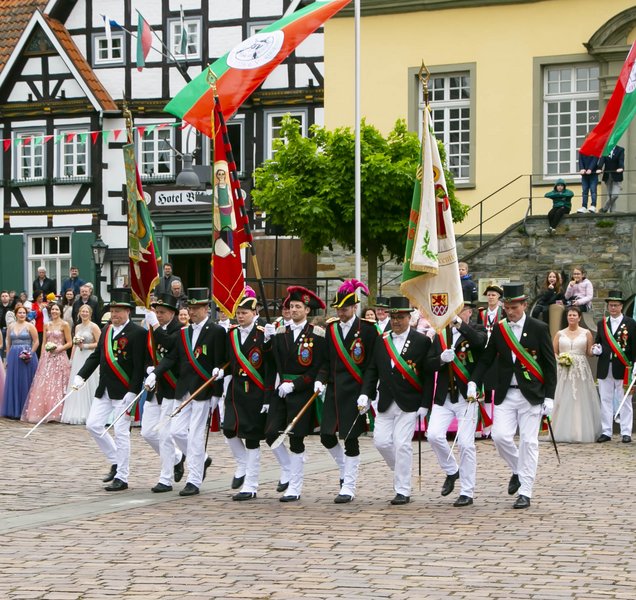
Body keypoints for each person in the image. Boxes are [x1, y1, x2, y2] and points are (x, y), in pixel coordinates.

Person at [468, 282, 557, 509]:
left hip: (531, 394)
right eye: (507, 307)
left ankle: (525, 491)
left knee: (529, 441)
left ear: (524, 305)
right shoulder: (500, 329)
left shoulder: (539, 328)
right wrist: (474, 381)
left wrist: (550, 396)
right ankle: (518, 469)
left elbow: (549, 365)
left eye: (514, 307)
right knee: (500, 437)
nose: (510, 311)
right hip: (506, 393)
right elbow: (487, 358)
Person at [147, 288, 227, 496]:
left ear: (206, 309)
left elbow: (222, 361)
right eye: (190, 308)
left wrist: (217, 391)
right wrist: (155, 373)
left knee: (196, 435)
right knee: (176, 431)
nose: (192, 312)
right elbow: (172, 357)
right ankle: (200, 460)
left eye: (196, 308)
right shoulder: (184, 332)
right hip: (183, 389)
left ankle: (194, 480)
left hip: (203, 389)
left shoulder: (216, 331)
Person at [358, 296, 432, 505]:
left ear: (409, 318)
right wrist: (365, 393)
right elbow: (372, 369)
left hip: (410, 402)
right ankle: (400, 468)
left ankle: (402, 489)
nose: (396, 321)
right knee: (381, 442)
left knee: (402, 445)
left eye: (400, 317)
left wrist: (425, 404)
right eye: (393, 317)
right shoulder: (382, 340)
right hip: (385, 400)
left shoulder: (421, 341)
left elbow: (427, 375)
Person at [74, 289, 147, 492]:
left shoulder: (138, 333)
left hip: (124, 391)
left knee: (121, 433)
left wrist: (133, 391)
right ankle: (116, 460)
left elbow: (139, 366)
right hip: (104, 388)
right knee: (93, 425)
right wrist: (81, 376)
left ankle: (122, 477)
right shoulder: (106, 330)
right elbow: (97, 356)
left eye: (118, 311)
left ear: (128, 312)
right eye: (112, 311)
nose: (114, 314)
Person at [315, 279, 377, 504]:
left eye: (345, 309)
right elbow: (325, 360)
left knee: (350, 438)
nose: (341, 313)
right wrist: (320, 380)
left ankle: (348, 486)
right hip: (334, 390)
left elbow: (371, 366)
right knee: (326, 435)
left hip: (355, 392)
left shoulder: (368, 330)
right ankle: (344, 466)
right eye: (338, 309)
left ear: (354, 307)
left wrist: (367, 392)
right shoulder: (331, 329)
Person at [425, 291, 487, 507]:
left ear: (469, 312)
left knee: (466, 444)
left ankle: (467, 491)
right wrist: (441, 360)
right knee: (433, 435)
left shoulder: (478, 330)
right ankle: (452, 470)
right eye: (455, 310)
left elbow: (479, 343)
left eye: (462, 310)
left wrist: (459, 325)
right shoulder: (441, 334)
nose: (458, 314)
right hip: (444, 395)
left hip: (466, 396)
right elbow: (428, 364)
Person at [268, 286, 327, 502]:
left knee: (296, 438)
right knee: (271, 433)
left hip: (301, 390)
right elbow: (271, 361)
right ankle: (288, 466)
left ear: (307, 310)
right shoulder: (280, 332)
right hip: (281, 390)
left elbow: (318, 366)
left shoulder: (316, 334)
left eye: (298, 307)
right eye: (291, 306)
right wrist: (267, 341)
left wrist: (296, 385)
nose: (293, 310)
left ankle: (294, 487)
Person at [223, 287, 275, 501]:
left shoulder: (263, 334)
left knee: (252, 439)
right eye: (238, 313)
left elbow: (271, 367)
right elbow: (228, 360)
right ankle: (242, 463)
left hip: (255, 392)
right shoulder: (232, 334)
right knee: (229, 429)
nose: (240, 316)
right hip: (235, 391)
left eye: (244, 313)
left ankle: (251, 485)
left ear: (255, 313)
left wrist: (271, 342)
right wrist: (220, 370)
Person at [141, 293, 185, 493]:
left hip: (171, 388)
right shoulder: (153, 330)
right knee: (148, 432)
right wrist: (149, 368)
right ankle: (178, 457)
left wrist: (155, 326)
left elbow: (168, 345)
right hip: (155, 387)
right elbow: (148, 354)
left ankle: (165, 479)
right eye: (157, 312)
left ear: (172, 313)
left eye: (162, 312)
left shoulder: (180, 330)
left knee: (165, 434)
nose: (158, 315)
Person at [551, 306, 601, 443]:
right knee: (564, 396)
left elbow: (589, 352)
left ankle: (579, 431)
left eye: (574, 315)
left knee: (579, 398)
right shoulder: (560, 334)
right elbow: (553, 351)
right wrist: (560, 360)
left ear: (579, 318)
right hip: (564, 369)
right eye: (569, 315)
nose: (571, 317)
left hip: (580, 370)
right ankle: (561, 430)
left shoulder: (586, 333)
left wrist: (596, 350)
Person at [592, 291, 636, 443]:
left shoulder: (631, 323)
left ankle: (626, 432)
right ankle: (606, 431)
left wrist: (635, 365)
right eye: (611, 305)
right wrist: (596, 349)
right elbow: (598, 342)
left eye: (616, 305)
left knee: (625, 400)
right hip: (605, 367)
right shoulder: (602, 323)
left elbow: (634, 346)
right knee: (605, 400)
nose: (613, 308)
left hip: (624, 368)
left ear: (621, 306)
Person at [21, 303, 72, 423]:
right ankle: (44, 411)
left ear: (60, 311)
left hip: (60, 357)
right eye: (52, 309)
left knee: (59, 383)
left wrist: (60, 348)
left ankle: (58, 412)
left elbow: (69, 342)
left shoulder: (65, 324)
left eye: (56, 309)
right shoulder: (46, 324)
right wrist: (43, 356)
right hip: (48, 357)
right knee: (46, 383)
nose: (54, 311)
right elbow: (44, 341)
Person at [61, 304, 101, 425]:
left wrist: (86, 346)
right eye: (82, 311)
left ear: (90, 313)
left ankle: (90, 412)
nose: (84, 313)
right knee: (77, 381)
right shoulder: (77, 327)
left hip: (89, 356)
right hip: (78, 356)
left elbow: (100, 343)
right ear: (79, 313)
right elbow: (74, 345)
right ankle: (77, 412)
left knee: (89, 382)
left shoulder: (94, 327)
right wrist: (72, 359)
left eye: (86, 311)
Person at [0, 305, 39, 419]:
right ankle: (14, 409)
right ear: (16, 314)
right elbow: (8, 342)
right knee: (14, 381)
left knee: (25, 380)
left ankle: (26, 409)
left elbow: (36, 341)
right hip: (13, 355)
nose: (22, 315)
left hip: (26, 355)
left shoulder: (30, 326)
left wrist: (30, 353)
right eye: (20, 313)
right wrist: (8, 358)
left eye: (24, 313)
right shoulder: (11, 326)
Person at [598, 145, 624, 214]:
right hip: (607, 176)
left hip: (617, 175)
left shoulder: (620, 149)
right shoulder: (605, 149)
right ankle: (612, 212)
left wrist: (621, 167)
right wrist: (599, 168)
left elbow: (621, 160)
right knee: (610, 195)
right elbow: (602, 160)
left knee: (615, 195)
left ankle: (604, 208)